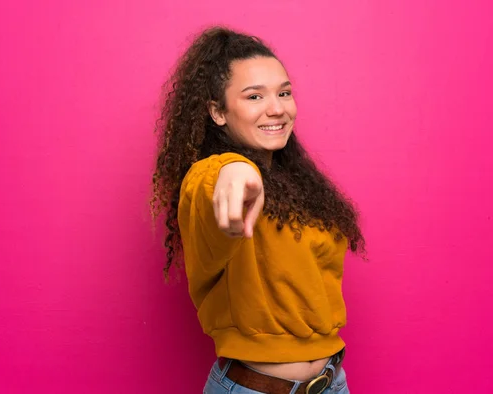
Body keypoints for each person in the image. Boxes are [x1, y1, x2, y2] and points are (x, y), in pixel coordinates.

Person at [151, 26, 365, 394]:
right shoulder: (212, 177)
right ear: (217, 112)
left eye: (284, 92)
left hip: (332, 382)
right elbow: (213, 183)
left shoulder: (299, 185)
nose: (277, 108)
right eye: (254, 97)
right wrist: (235, 169)